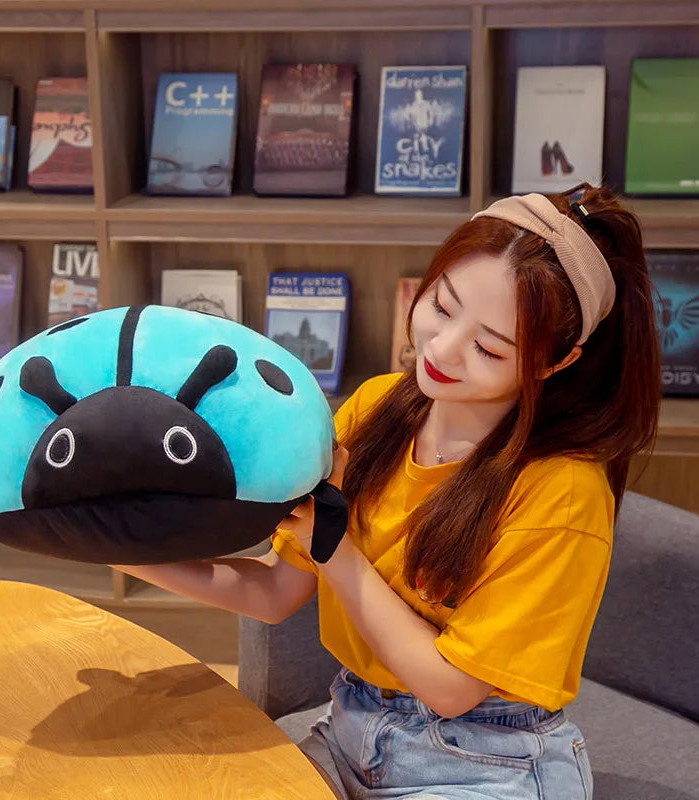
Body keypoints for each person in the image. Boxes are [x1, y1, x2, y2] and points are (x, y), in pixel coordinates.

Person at [113, 183, 661, 799]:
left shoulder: (561, 492)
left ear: (554, 363)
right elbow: (272, 592)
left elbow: (451, 690)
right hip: (353, 727)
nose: (443, 349)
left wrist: (336, 553)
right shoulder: (375, 407)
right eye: (442, 305)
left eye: (488, 347)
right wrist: (124, 548)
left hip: (489, 763)